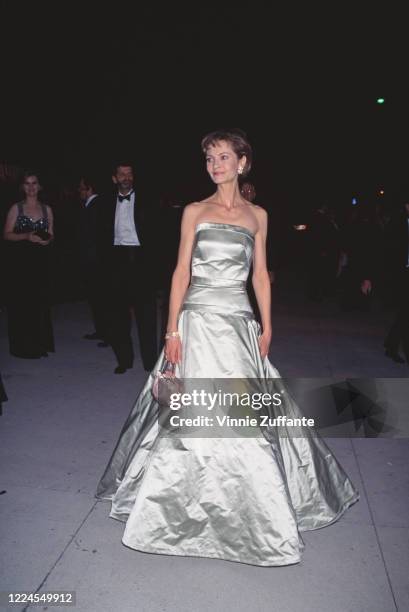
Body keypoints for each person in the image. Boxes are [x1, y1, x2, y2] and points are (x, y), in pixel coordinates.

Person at [96, 129, 358, 567]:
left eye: (222, 157)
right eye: (209, 159)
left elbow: (260, 275)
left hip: (238, 322)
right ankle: (178, 509)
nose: (214, 165)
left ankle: (254, 512)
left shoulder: (258, 215)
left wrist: (267, 325)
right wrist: (171, 331)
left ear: (242, 163)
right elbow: (180, 273)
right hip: (197, 321)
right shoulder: (195, 211)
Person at [99, 162, 158, 374]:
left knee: (147, 315)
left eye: (129, 173)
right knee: (118, 314)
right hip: (116, 260)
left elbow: (157, 233)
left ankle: (151, 362)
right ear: (114, 178)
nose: (126, 177)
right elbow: (100, 235)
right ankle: (124, 360)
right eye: (122, 174)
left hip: (141, 259)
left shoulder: (148, 200)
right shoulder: (104, 203)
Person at [3, 171, 55, 358]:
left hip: (41, 262)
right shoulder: (16, 209)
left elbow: (51, 234)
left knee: (39, 303)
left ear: (40, 186)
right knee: (22, 304)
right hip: (20, 264)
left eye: (34, 183)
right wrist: (26, 236)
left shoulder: (46, 209)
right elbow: (7, 234)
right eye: (27, 183)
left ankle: (40, 344)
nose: (31, 187)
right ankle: (24, 347)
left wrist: (46, 240)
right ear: (22, 187)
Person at [77, 176, 109, 346]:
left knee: (101, 299)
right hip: (93, 260)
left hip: (96, 261)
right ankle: (101, 330)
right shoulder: (91, 206)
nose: (78, 191)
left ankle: (107, 334)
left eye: (81, 188)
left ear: (89, 188)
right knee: (96, 299)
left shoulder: (96, 206)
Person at [383, 198, 409, 363]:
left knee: (404, 314)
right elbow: (389, 250)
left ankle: (391, 345)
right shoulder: (397, 224)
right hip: (401, 274)